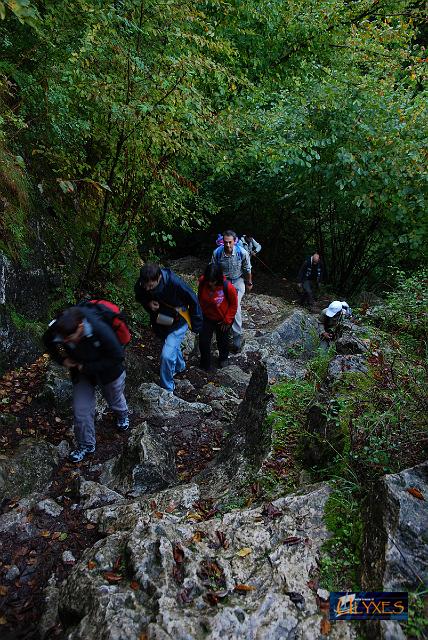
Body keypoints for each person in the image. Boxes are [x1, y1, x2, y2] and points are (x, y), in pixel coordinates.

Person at [43, 306, 129, 463]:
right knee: (80, 409)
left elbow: (117, 356)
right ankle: (86, 444)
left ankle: (122, 414)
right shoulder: (59, 328)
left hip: (109, 370)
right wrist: (62, 360)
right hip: (81, 370)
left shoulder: (100, 329)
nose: (67, 343)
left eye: (70, 339)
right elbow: (47, 341)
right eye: (64, 341)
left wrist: (88, 367)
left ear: (81, 327)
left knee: (114, 397)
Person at [134, 263, 203, 392]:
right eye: (146, 286)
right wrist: (147, 302)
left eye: (151, 286)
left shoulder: (175, 282)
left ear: (159, 278)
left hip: (178, 321)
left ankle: (167, 388)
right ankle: (180, 366)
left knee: (166, 355)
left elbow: (193, 299)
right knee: (169, 345)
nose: (148, 289)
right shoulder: (142, 282)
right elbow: (139, 294)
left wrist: (197, 325)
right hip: (160, 321)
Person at [212, 229, 252, 353]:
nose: (227, 245)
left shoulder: (242, 252)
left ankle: (237, 337)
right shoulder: (217, 253)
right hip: (223, 282)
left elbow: (247, 268)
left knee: (235, 307)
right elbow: (213, 269)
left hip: (238, 281)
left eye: (230, 242)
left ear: (235, 241)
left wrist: (249, 282)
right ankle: (221, 331)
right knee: (220, 305)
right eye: (225, 242)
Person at [198, 263, 238, 370]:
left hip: (223, 319)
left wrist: (227, 320)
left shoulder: (227, 287)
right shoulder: (203, 282)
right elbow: (199, 297)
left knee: (223, 341)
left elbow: (234, 305)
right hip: (207, 317)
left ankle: (223, 359)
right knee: (203, 341)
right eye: (209, 281)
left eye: (213, 281)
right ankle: (205, 364)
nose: (211, 284)